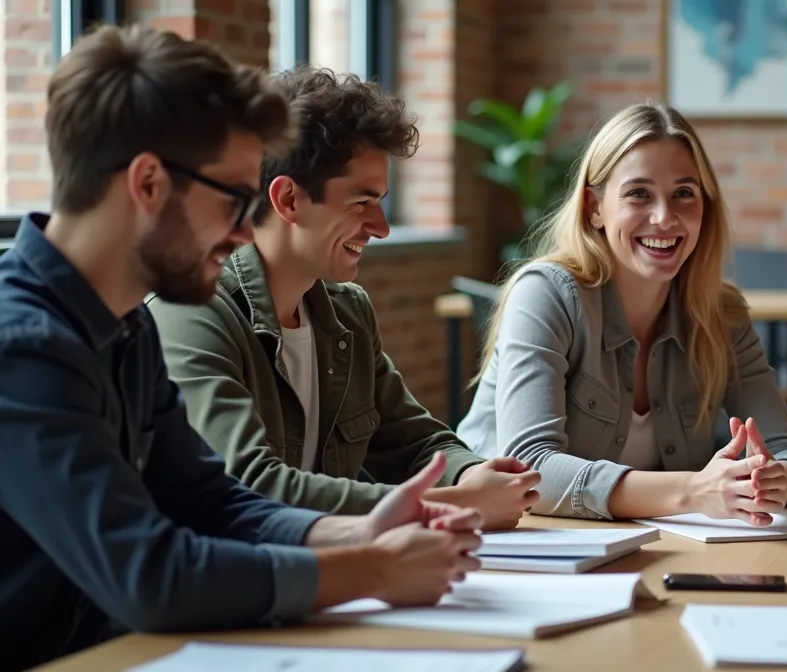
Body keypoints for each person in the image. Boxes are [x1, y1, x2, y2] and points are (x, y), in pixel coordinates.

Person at [0, 26, 482, 670]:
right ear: (148, 184)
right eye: (234, 198)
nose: (242, 230)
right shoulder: (23, 348)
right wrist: (368, 569)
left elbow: (212, 500)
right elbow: (147, 574)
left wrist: (358, 531)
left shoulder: (122, 326)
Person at [147, 65, 538, 530]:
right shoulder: (192, 311)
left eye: (382, 201)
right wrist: (449, 503)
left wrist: (475, 474)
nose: (381, 227)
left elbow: (415, 442)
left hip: (332, 581)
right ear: (288, 199)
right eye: (360, 202)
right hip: (236, 593)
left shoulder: (348, 313)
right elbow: (252, 486)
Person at [456, 103, 787, 523]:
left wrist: (771, 480)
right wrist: (694, 491)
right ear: (594, 207)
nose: (665, 218)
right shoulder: (545, 295)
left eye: (684, 193)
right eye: (638, 194)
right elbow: (528, 471)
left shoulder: (722, 313)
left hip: (642, 546)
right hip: (501, 543)